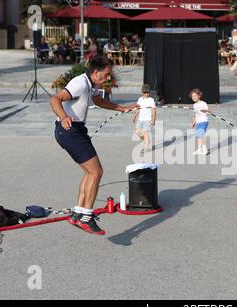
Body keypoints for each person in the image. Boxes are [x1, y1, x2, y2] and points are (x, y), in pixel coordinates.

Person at [50, 56, 138, 235]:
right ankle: (86, 217)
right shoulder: (80, 83)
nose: (108, 78)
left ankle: (77, 214)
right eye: (106, 74)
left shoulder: (92, 85)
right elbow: (55, 99)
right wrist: (64, 116)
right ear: (95, 72)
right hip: (69, 130)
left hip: (75, 130)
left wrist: (121, 108)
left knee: (90, 172)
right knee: (96, 172)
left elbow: (98, 101)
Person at [133, 84, 157, 156]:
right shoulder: (140, 99)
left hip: (147, 120)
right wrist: (134, 116)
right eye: (144, 92)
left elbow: (154, 110)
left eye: (147, 92)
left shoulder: (151, 100)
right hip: (140, 119)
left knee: (145, 133)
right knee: (137, 132)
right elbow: (138, 109)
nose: (146, 94)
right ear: (142, 92)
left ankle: (144, 148)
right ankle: (147, 140)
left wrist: (153, 120)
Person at [190, 89, 210, 156]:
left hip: (204, 121)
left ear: (199, 96)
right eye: (192, 96)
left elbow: (208, 112)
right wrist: (194, 122)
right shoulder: (194, 105)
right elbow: (196, 114)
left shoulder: (203, 103)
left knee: (201, 134)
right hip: (198, 122)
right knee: (199, 136)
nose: (194, 98)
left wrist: (205, 111)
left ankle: (204, 149)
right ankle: (199, 149)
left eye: (195, 96)